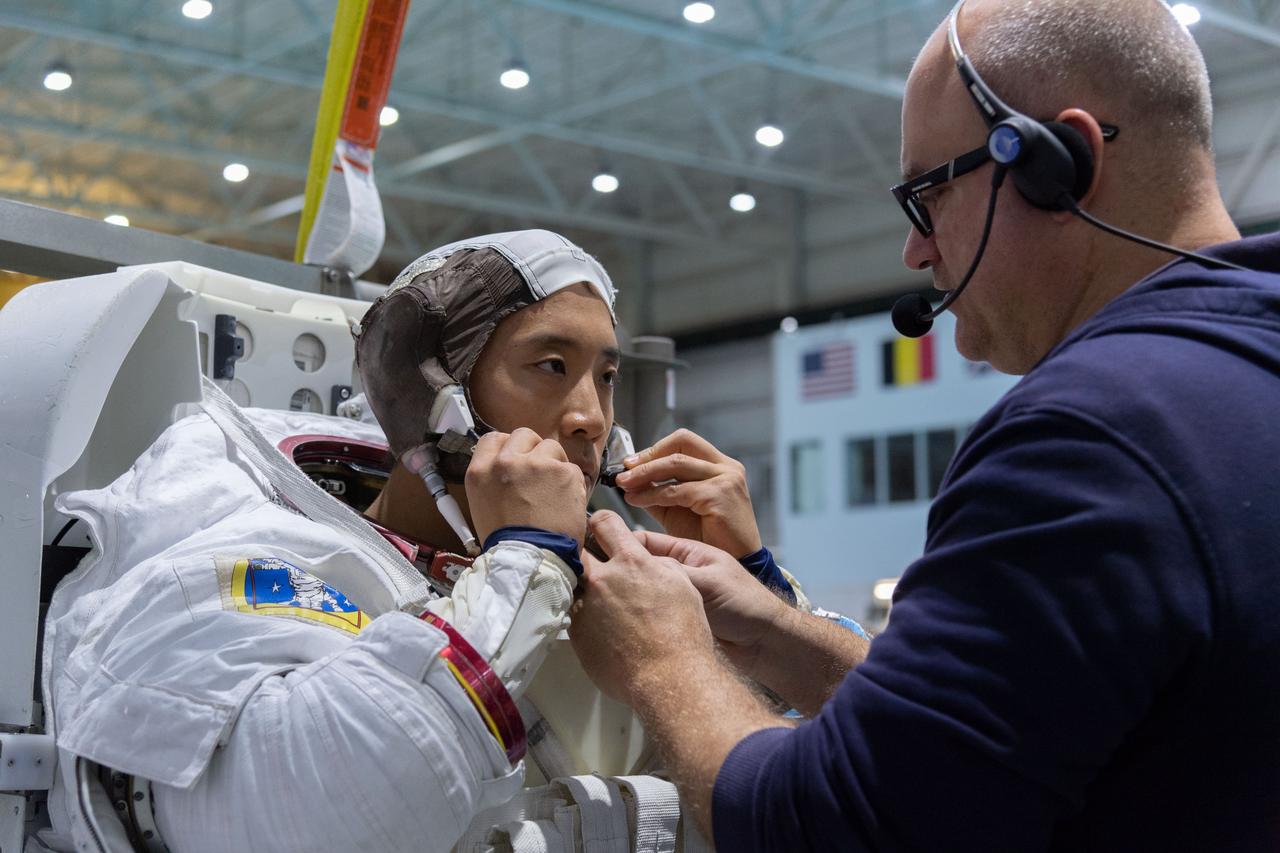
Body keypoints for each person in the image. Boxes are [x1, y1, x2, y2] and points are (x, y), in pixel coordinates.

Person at [566, 1, 1280, 850]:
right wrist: (774, 629)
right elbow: (1012, 723)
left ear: (1062, 163)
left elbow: (834, 828)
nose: (916, 251)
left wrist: (663, 658)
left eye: (929, 194)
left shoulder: (1092, 437)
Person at [34, 230, 619, 853]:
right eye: (551, 367)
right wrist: (526, 563)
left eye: (606, 376)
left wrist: (736, 581)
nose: (592, 417)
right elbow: (321, 816)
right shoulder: (249, 544)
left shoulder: (590, 570)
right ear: (430, 387)